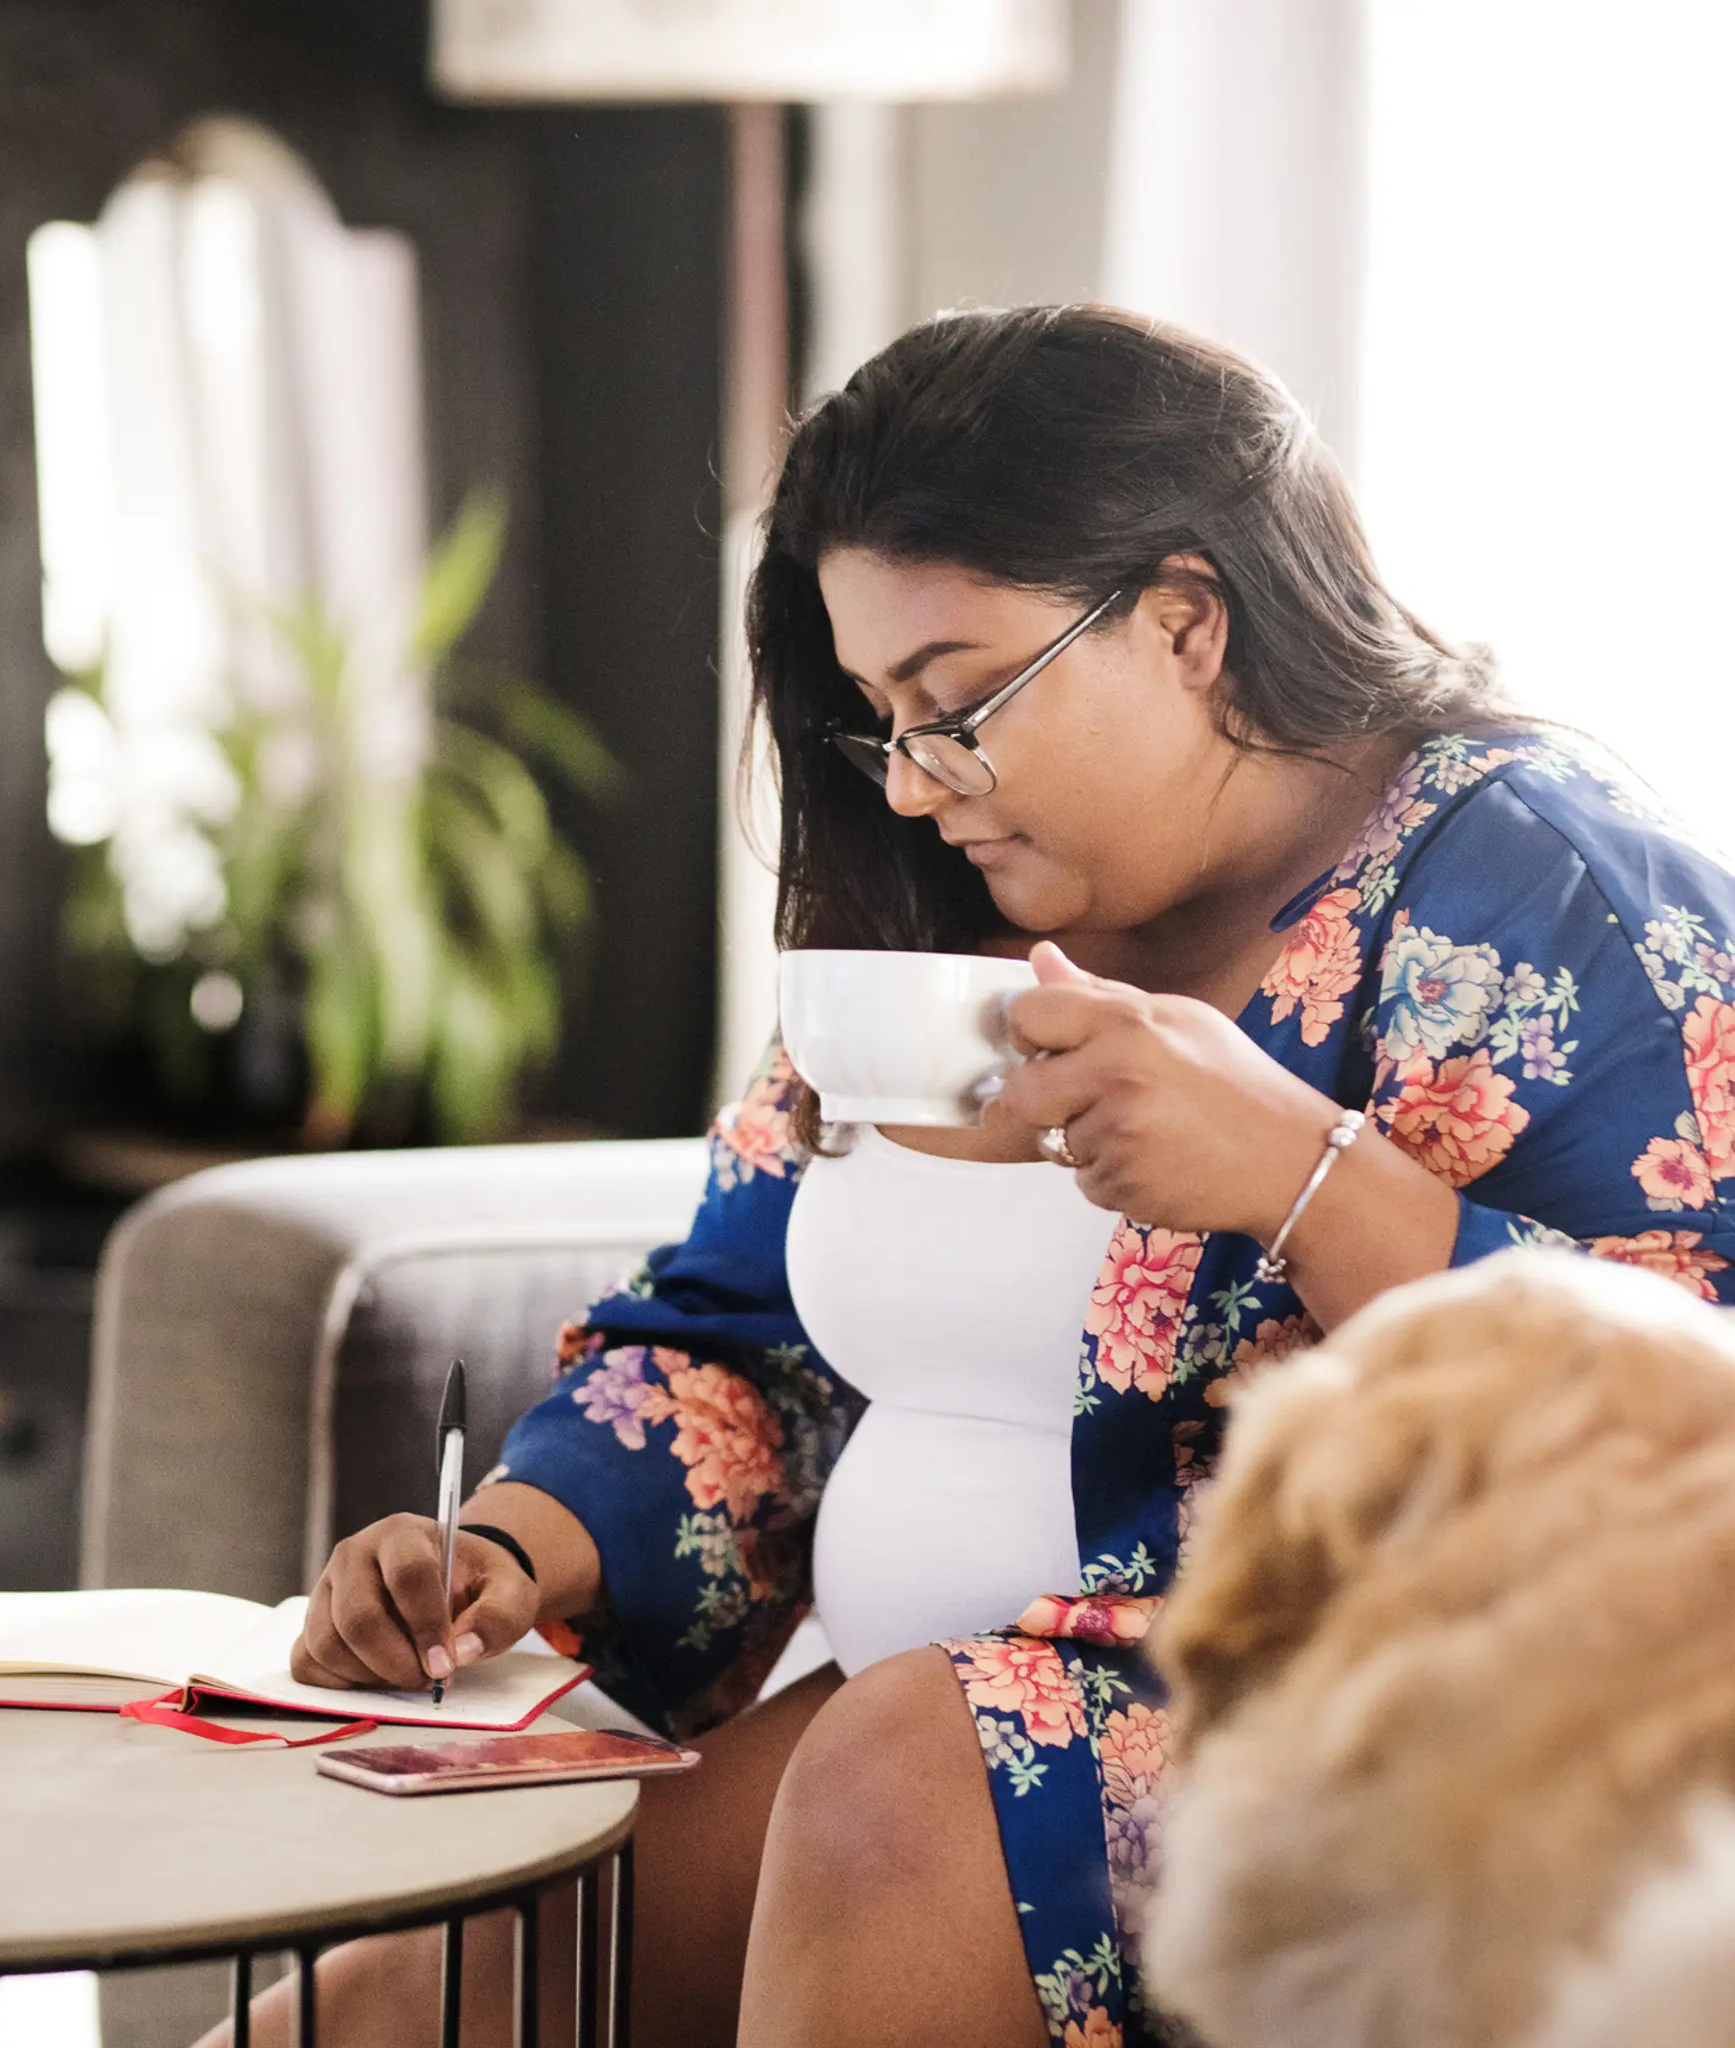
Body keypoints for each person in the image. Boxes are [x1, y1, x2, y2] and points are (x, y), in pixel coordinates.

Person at [248, 305, 1735, 2048]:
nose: (913, 782)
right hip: (914, 1731)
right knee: (399, 1994)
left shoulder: (1552, 902)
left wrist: (1296, 1173)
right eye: (877, 719)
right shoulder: (931, 928)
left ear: (1188, 621)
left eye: (960, 704)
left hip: (1352, 1739)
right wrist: (510, 1544)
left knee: (899, 1772)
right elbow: (741, 1341)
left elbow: (1673, 1439)